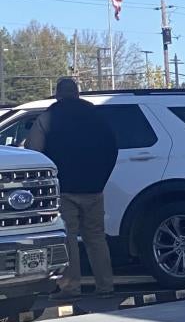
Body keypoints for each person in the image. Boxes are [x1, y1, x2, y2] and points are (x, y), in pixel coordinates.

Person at [26, 77, 117, 298]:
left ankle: (71, 287)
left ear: (57, 94)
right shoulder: (97, 116)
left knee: (68, 238)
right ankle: (106, 286)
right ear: (77, 93)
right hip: (94, 188)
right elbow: (112, 147)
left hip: (64, 188)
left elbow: (33, 151)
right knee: (96, 238)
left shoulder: (49, 117)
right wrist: (101, 178)